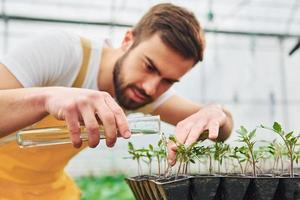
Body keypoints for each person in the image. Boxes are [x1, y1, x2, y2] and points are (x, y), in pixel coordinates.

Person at [0, 3, 233, 200]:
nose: (151, 87)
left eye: (169, 81)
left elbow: (222, 127)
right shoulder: (64, 52)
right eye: (149, 66)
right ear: (127, 40)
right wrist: (47, 98)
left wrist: (215, 113)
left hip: (48, 189)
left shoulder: (142, 94)